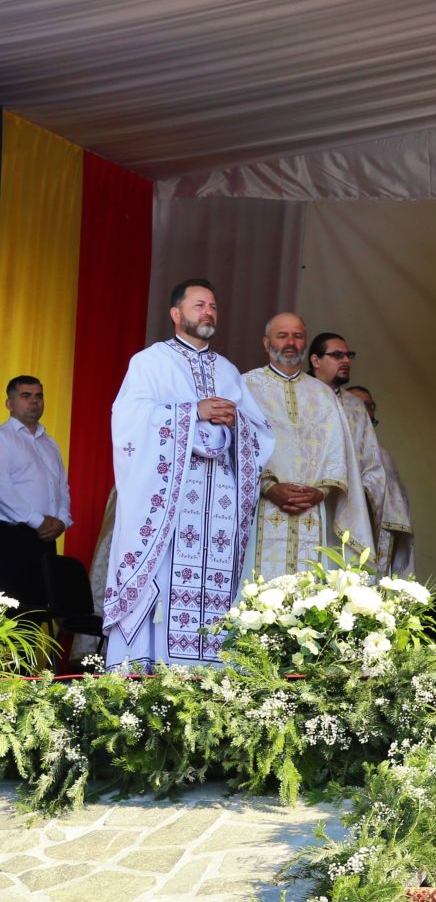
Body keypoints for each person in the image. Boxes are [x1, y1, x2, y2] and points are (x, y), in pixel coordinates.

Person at [103, 279, 274, 668]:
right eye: (199, 305)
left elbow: (260, 434)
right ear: (176, 314)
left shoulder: (229, 371)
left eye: (213, 305)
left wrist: (238, 426)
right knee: (166, 584)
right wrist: (192, 412)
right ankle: (155, 670)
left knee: (216, 592)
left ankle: (210, 672)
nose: (209, 311)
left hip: (219, 511)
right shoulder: (150, 362)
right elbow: (128, 422)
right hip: (171, 504)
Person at [242, 313, 373, 578]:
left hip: (314, 509)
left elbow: (339, 450)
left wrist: (321, 491)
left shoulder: (322, 393)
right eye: (282, 336)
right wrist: (269, 487)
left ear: (305, 344)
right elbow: (237, 449)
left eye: (298, 336)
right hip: (261, 508)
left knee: (312, 593)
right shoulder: (246, 387)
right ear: (266, 343)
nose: (290, 342)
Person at [308, 333, 394, 563]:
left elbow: (372, 462)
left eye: (348, 355)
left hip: (345, 505)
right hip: (307, 503)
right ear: (316, 360)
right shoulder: (301, 397)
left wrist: (358, 492)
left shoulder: (356, 407)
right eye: (337, 355)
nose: (345, 360)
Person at [347, 386, 415, 577]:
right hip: (349, 528)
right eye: (358, 404)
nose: (365, 409)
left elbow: (395, 498)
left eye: (369, 405)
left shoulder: (381, 453)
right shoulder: (336, 450)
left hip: (381, 528)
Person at [0, 376, 71, 553]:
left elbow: (62, 487)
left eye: (39, 396)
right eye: (26, 395)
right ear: (9, 404)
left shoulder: (50, 443)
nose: (34, 400)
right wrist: (38, 521)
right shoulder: (3, 438)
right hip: (11, 537)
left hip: (47, 538)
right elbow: (3, 489)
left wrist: (62, 520)